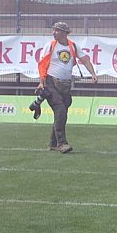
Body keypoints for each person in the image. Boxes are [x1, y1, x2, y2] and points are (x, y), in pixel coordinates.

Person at [34, 21, 97, 153]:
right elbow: (42, 64)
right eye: (53, 30)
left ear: (64, 33)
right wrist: (41, 82)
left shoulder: (73, 46)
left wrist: (92, 73)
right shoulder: (50, 45)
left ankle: (53, 143)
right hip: (51, 82)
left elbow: (85, 59)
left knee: (61, 112)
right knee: (60, 110)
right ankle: (62, 143)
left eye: (57, 30)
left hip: (65, 84)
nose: (54, 32)